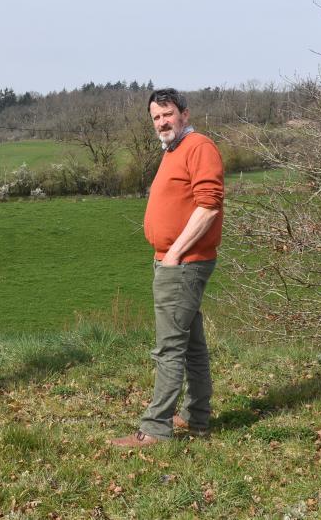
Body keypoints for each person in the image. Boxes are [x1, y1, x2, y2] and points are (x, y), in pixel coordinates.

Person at [110, 88, 224, 447]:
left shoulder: (199, 147)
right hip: (175, 261)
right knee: (190, 345)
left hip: (183, 264)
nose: (162, 122)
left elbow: (208, 206)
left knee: (169, 348)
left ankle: (157, 428)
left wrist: (174, 253)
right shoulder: (173, 151)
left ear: (185, 114)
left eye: (168, 114)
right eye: (156, 117)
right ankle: (196, 417)